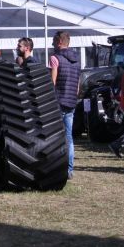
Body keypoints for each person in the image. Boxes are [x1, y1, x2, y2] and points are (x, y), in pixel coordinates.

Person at [50, 31, 80, 179]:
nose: (52, 44)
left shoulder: (55, 58)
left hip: (58, 101)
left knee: (54, 136)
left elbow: (52, 83)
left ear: (60, 42)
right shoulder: (76, 60)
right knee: (69, 137)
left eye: (54, 41)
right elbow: (78, 85)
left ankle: (55, 166)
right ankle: (69, 170)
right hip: (71, 101)